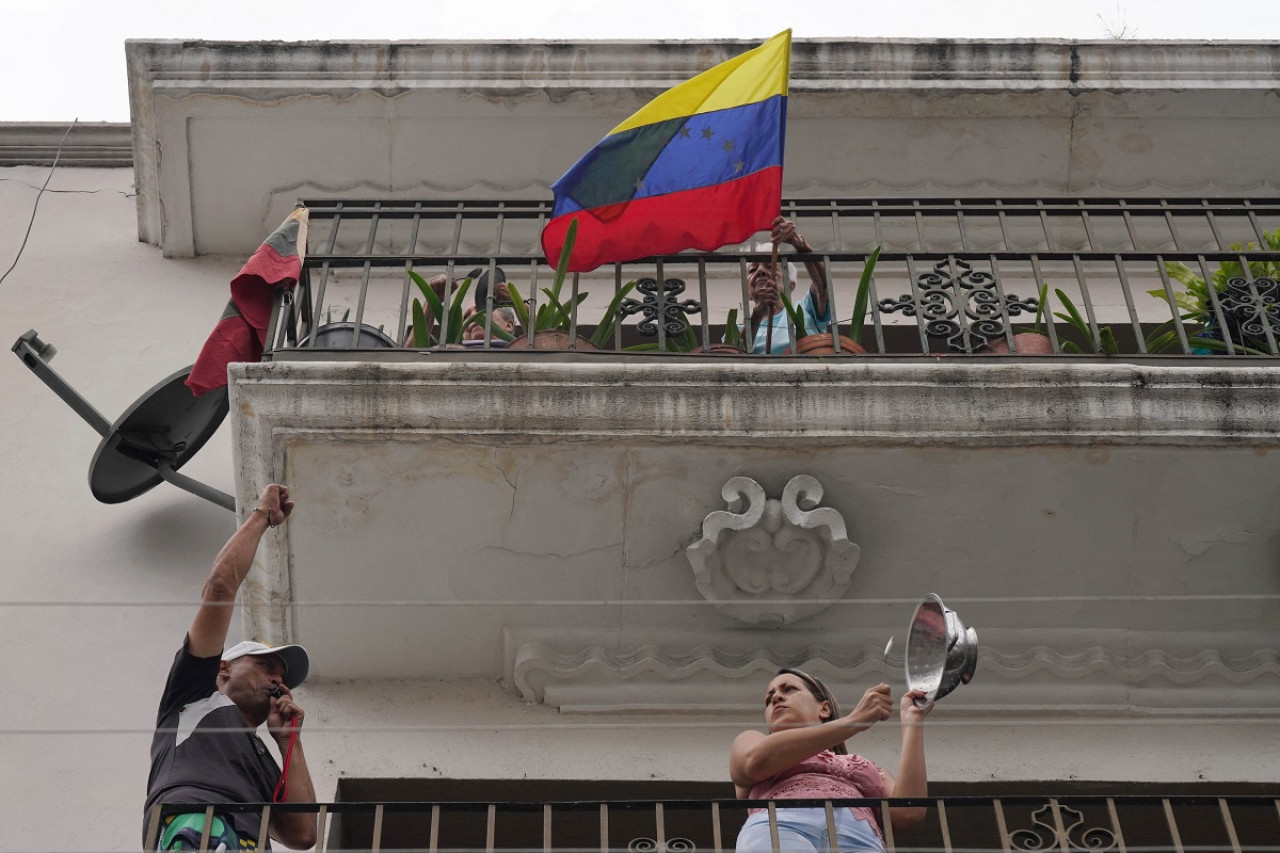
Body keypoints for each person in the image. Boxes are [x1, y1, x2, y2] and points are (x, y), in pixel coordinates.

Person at [144, 484, 318, 851]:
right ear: (223, 669)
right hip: (195, 826)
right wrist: (262, 516)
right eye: (266, 666)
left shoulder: (259, 756)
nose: (277, 680)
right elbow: (220, 587)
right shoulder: (195, 693)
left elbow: (302, 835)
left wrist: (289, 742)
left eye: (282, 677)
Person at [730, 669, 931, 853]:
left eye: (789, 689)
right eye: (768, 698)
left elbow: (908, 812)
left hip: (862, 840)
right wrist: (854, 721)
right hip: (778, 828)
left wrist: (911, 720)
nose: (775, 697)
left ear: (824, 709)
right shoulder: (752, 741)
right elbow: (752, 763)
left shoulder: (864, 766)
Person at [744, 217, 831, 354]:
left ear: (790, 285)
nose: (760, 271)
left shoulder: (803, 310)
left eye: (771, 266)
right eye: (752, 270)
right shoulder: (738, 330)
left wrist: (802, 248)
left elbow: (823, 286)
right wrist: (758, 313)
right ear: (748, 293)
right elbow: (732, 360)